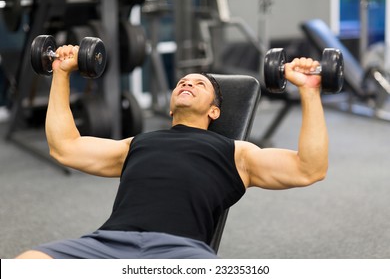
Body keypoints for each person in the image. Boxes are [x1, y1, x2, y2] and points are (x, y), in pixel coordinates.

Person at [15, 44, 328, 259]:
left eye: (199, 84)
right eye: (182, 82)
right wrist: (60, 72)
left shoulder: (238, 153)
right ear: (169, 106)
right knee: (29, 262)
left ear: (215, 112)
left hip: (180, 253)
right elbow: (64, 147)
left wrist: (309, 90)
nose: (187, 83)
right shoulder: (135, 144)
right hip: (108, 243)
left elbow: (309, 168)